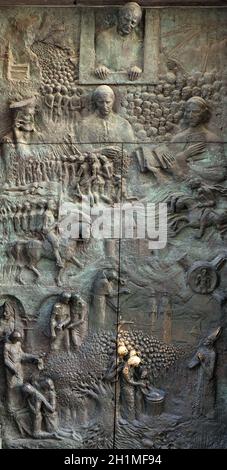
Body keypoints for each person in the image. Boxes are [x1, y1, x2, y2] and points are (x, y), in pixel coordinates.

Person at [95, 2, 143, 81]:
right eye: (126, 20)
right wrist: (100, 67)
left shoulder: (138, 42)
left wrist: (137, 68)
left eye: (133, 23)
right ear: (120, 16)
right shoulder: (103, 37)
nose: (128, 25)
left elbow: (139, 65)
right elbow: (99, 62)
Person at [4, 331, 43, 410]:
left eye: (18, 339)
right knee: (12, 388)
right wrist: (12, 368)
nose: (17, 340)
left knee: (19, 386)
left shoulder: (18, 344)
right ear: (12, 338)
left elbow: (22, 355)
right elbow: (6, 360)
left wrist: (34, 356)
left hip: (19, 368)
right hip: (11, 371)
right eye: (16, 339)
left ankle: (19, 405)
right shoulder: (6, 346)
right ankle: (11, 407)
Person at [42, 200, 63, 268]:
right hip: (48, 232)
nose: (54, 205)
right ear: (48, 205)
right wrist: (54, 225)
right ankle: (59, 261)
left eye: (54, 204)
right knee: (55, 244)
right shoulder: (46, 214)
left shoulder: (51, 212)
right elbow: (44, 228)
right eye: (52, 204)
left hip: (54, 231)